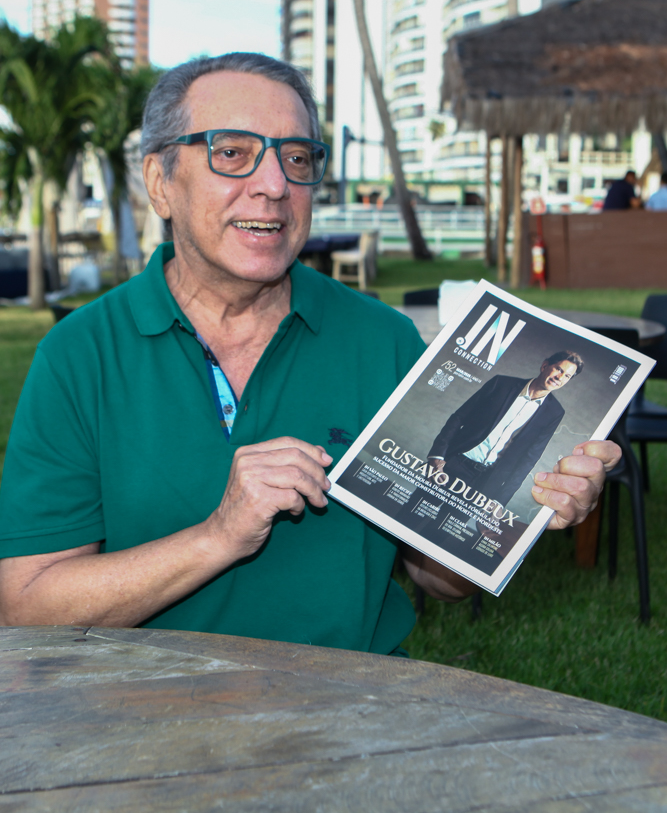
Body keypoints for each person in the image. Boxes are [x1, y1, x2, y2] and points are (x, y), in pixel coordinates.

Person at [0, 53, 619, 651]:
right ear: (160, 183)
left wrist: (518, 512)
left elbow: (439, 580)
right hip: (143, 707)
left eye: (297, 158)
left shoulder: (383, 342)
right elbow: (26, 608)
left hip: (349, 705)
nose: (274, 185)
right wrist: (219, 537)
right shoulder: (80, 356)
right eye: (232, 153)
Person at [427, 351, 583, 508]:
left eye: (567, 376)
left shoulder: (554, 412)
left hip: (485, 483)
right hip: (454, 462)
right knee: (419, 511)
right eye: (558, 369)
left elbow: (529, 458)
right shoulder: (501, 384)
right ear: (545, 366)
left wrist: (500, 500)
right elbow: (459, 417)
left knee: (452, 524)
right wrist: (437, 454)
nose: (560, 377)